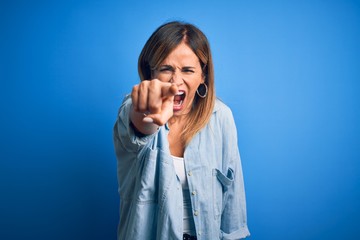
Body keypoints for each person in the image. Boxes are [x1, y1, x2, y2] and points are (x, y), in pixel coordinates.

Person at [113, 21, 250, 240]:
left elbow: (233, 203)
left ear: (203, 75)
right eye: (166, 69)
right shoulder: (134, 108)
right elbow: (140, 124)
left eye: (188, 70)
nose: (176, 81)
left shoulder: (222, 117)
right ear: (151, 72)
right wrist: (149, 111)